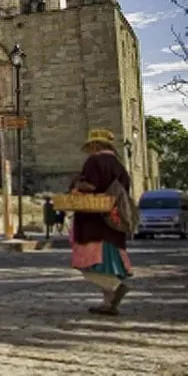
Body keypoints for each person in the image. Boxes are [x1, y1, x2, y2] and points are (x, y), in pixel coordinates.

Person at [70, 128, 134, 316]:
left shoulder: (95, 161)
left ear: (96, 145)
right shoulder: (119, 166)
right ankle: (108, 303)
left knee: (91, 263)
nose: (90, 151)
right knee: (109, 262)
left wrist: (76, 185)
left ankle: (115, 287)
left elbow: (91, 186)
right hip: (114, 220)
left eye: (91, 147)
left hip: (94, 222)